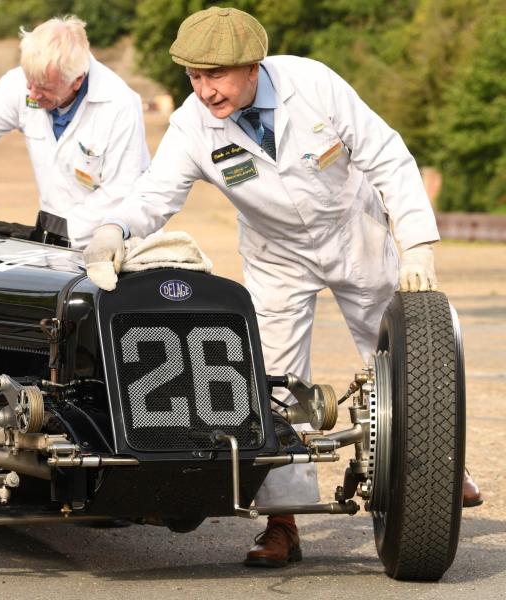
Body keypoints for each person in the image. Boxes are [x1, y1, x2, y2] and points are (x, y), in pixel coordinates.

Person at [82, 6, 482, 568]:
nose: (203, 91)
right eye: (193, 77)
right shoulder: (193, 125)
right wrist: (114, 229)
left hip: (353, 233)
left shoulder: (314, 84)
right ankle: (283, 525)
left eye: (215, 75)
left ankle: (439, 473)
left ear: (252, 67)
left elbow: (386, 155)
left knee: (401, 358)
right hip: (276, 256)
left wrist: (416, 243)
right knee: (275, 385)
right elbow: (155, 196)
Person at [0, 15, 150, 249]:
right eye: (29, 82)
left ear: (77, 80)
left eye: (44, 88)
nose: (32, 94)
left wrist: (55, 230)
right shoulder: (23, 84)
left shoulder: (119, 103)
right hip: (53, 244)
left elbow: (121, 192)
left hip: (113, 243)